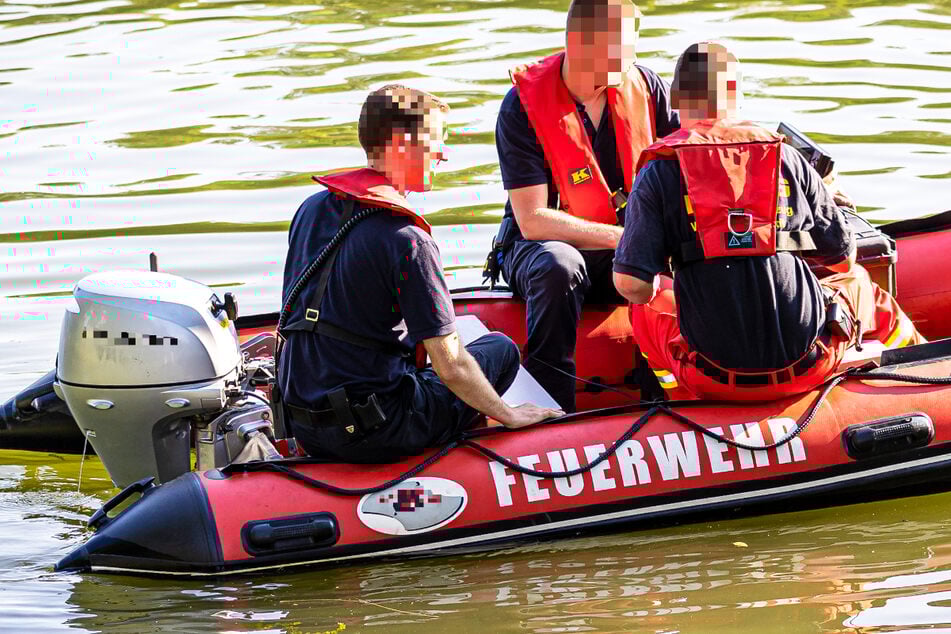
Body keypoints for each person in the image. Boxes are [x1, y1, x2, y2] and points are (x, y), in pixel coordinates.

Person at [612, 42, 924, 402]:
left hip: (710, 376)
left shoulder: (658, 171)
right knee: (860, 281)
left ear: (675, 99)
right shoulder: (786, 157)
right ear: (735, 96)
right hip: (809, 364)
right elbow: (842, 261)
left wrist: (675, 289)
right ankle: (925, 377)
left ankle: (683, 405)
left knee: (641, 308)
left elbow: (632, 285)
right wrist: (826, 197)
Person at [278, 85, 562, 463]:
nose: (442, 154)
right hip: (376, 431)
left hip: (306, 426)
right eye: (435, 140)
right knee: (501, 350)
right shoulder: (408, 241)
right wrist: (508, 414)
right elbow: (452, 366)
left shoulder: (310, 210)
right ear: (400, 145)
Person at [488, 0, 680, 412]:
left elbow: (686, 170)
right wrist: (628, 239)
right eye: (617, 49)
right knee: (559, 264)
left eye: (631, 46)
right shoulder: (520, 106)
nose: (628, 59)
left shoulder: (647, 87)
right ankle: (549, 409)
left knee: (682, 245)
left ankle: (669, 395)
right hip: (540, 250)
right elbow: (533, 221)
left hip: (626, 249)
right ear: (577, 42)